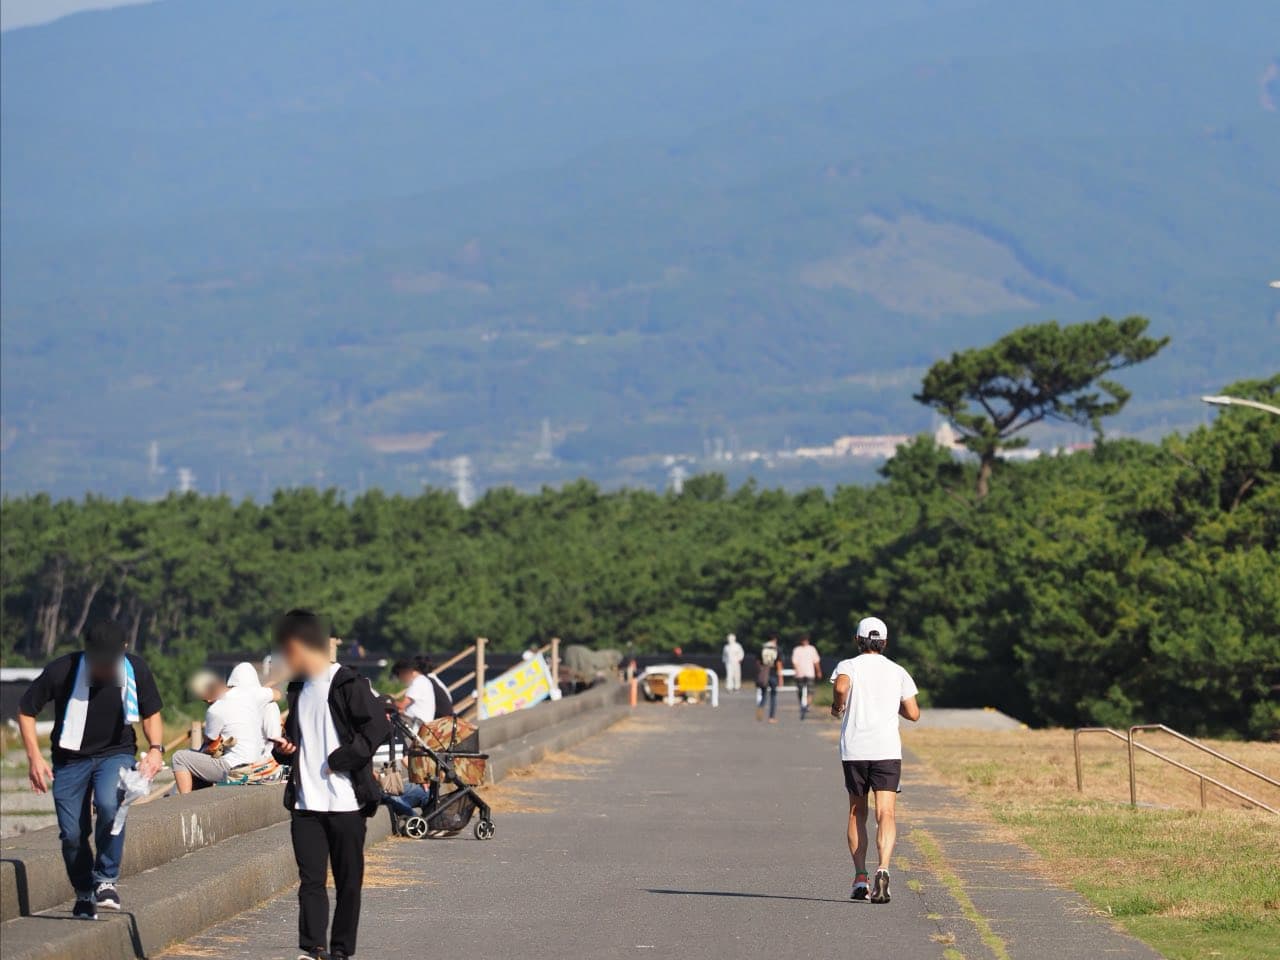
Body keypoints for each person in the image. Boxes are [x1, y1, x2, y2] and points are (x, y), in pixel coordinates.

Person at [16, 620, 165, 919]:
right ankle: (84, 891)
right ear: (88, 653)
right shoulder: (63, 670)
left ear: (123, 651)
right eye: (99, 663)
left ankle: (106, 880)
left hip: (115, 753)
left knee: (110, 805)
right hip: (70, 760)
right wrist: (34, 757)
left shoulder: (135, 669)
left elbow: (151, 713)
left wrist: (156, 749)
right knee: (72, 833)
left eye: (111, 663)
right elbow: (26, 710)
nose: (106, 671)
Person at [271, 610, 390, 960]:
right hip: (306, 803)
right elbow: (296, 740)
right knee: (310, 882)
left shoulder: (348, 683)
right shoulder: (299, 689)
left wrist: (344, 758)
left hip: (346, 803)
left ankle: (340, 950)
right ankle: (313, 949)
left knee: (348, 882)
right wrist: (285, 749)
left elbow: (378, 728)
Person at [829, 616, 920, 905]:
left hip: (855, 749)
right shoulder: (897, 671)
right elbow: (914, 713)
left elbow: (842, 687)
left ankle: (860, 877)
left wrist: (837, 706)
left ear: (858, 640)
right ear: (884, 642)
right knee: (887, 813)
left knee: (857, 811)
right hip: (887, 750)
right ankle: (883, 868)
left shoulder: (849, 665)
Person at [172, 663, 281, 793]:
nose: (207, 703)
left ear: (208, 696)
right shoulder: (250, 693)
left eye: (205, 700)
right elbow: (277, 694)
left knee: (179, 757)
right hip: (258, 764)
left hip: (235, 768)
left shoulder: (215, 710)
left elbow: (210, 742)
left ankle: (186, 804)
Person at [392, 656, 453, 726]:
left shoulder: (419, 682)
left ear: (405, 672)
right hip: (438, 721)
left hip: (426, 723)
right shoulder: (428, 680)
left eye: (399, 676)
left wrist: (388, 700)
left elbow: (402, 705)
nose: (401, 680)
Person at [791, 635, 822, 720]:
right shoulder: (797, 649)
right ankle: (802, 703)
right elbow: (794, 662)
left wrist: (818, 671)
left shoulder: (812, 649)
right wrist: (796, 670)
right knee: (800, 690)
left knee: (810, 690)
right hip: (800, 673)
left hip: (810, 672)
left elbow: (816, 661)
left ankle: (807, 705)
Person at [755, 636, 783, 722]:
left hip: (764, 675)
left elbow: (757, 663)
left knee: (763, 695)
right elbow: (778, 664)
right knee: (773, 696)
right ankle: (771, 717)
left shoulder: (762, 650)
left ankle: (760, 710)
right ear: (775, 640)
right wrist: (781, 678)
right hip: (773, 674)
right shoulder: (776, 650)